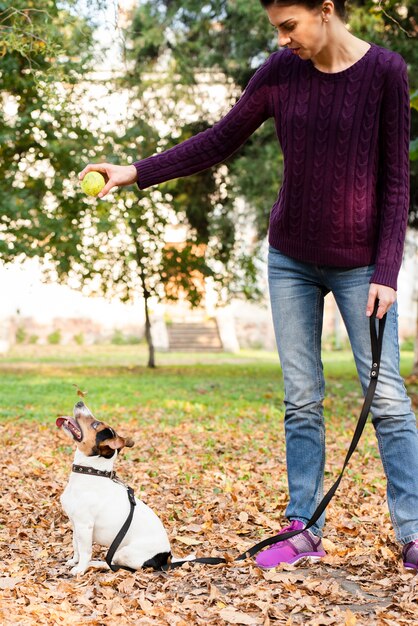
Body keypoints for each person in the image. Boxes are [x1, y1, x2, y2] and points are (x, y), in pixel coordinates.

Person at [79, 0, 418, 571]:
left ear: (326, 11)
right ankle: (304, 525)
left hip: (362, 265)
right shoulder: (281, 71)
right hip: (290, 259)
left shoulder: (385, 71)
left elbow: (395, 182)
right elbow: (219, 139)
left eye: (290, 25)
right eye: (276, 29)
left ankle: (413, 532)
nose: (283, 39)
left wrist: (387, 270)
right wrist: (135, 170)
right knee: (302, 399)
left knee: (386, 400)